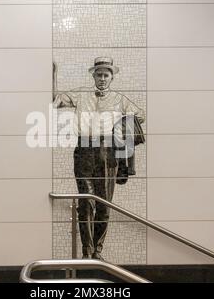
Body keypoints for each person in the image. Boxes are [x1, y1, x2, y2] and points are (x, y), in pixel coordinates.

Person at [53, 57, 145, 260]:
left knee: (104, 205)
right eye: (99, 74)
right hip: (84, 150)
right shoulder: (81, 94)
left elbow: (140, 115)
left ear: (112, 77)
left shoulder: (119, 99)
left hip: (108, 152)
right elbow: (55, 98)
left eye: (106, 75)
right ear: (93, 75)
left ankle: (97, 252)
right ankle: (86, 251)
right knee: (86, 203)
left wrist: (121, 128)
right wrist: (53, 73)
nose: (102, 78)